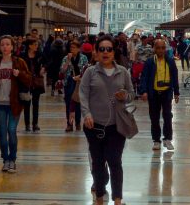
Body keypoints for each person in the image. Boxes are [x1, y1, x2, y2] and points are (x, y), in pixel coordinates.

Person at [79, 35, 134, 205]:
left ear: (114, 52)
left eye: (108, 49)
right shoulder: (90, 72)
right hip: (94, 125)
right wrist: (86, 114)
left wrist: (125, 95)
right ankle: (100, 198)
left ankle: (118, 199)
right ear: (96, 52)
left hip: (117, 126)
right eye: (101, 49)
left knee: (114, 161)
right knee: (98, 162)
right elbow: (83, 94)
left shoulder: (123, 72)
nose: (105, 52)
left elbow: (131, 95)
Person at [0, 35, 31, 172]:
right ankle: (6, 159)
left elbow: (29, 79)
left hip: (14, 103)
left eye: (8, 44)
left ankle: (12, 159)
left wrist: (19, 74)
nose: (5, 47)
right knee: (2, 132)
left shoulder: (19, 62)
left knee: (12, 130)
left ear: (12, 47)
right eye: (2, 45)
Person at [140, 36, 179, 150]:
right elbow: (145, 77)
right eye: (158, 48)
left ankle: (167, 139)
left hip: (167, 92)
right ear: (154, 49)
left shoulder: (170, 61)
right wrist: (144, 91)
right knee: (154, 117)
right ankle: (156, 140)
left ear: (165, 49)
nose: (161, 50)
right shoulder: (150, 62)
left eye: (163, 48)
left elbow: (175, 77)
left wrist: (176, 92)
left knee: (167, 116)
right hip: (154, 93)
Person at [59, 38, 89, 131]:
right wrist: (68, 60)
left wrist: (80, 77)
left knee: (78, 103)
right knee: (69, 103)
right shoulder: (66, 58)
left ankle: (77, 122)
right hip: (69, 82)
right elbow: (62, 71)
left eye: (74, 48)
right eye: (71, 47)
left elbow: (87, 71)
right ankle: (69, 123)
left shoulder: (83, 58)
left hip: (80, 82)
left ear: (79, 49)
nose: (72, 49)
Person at [21, 36, 45, 131]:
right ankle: (27, 124)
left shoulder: (39, 54)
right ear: (30, 46)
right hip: (26, 82)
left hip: (36, 82)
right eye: (35, 45)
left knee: (36, 104)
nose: (37, 46)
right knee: (26, 103)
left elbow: (48, 61)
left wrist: (43, 68)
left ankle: (35, 123)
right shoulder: (23, 55)